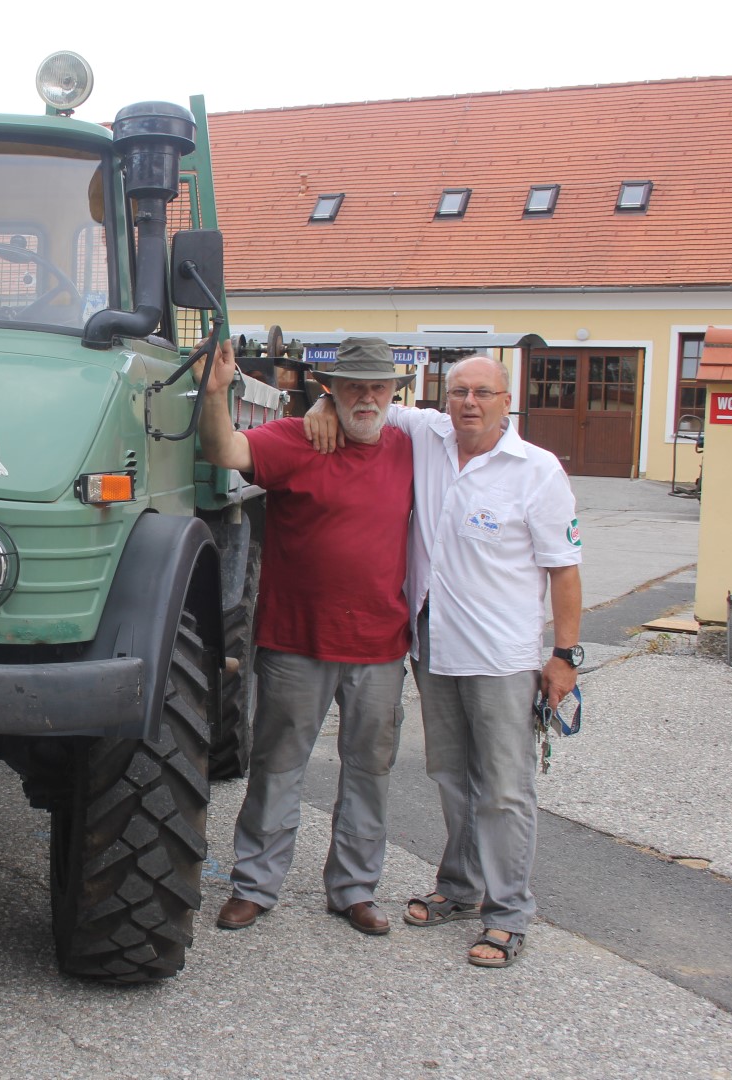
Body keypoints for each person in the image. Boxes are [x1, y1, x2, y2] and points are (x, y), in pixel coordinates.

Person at [305, 355, 583, 967]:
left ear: (508, 400)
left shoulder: (537, 472)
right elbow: (364, 404)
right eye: (459, 391)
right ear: (444, 397)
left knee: (505, 788)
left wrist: (563, 656)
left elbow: (564, 571)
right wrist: (325, 405)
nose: (469, 403)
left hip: (502, 657)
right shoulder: (427, 435)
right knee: (452, 778)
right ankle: (459, 888)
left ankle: (509, 914)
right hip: (434, 648)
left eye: (484, 392)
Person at [196, 335, 415, 937]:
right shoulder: (297, 440)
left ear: (395, 393)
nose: (367, 398)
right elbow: (224, 449)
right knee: (278, 765)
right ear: (331, 390)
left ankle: (354, 890)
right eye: (352, 387)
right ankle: (255, 886)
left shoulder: (412, 447)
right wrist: (216, 394)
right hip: (297, 641)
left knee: (369, 770)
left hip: (381, 645)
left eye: (378, 387)